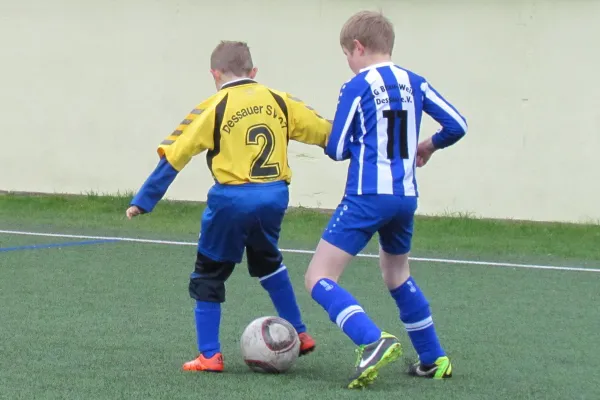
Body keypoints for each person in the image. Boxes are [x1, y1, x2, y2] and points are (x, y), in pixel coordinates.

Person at [126, 40, 332, 372]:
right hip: (274, 196)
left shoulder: (214, 105)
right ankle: (301, 333)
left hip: (232, 201)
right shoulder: (280, 99)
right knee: (268, 262)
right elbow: (323, 131)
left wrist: (144, 200)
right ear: (254, 72)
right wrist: (349, 150)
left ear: (214, 74)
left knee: (208, 273)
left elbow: (177, 152)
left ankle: (209, 355)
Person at [304, 11, 468, 389]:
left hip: (366, 196)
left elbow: (336, 148)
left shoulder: (357, 85)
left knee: (318, 277)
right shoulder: (416, 82)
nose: (348, 62)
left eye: (347, 53)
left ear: (358, 47)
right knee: (397, 275)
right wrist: (428, 144)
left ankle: (370, 339)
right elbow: (457, 124)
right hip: (405, 196)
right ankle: (434, 358)